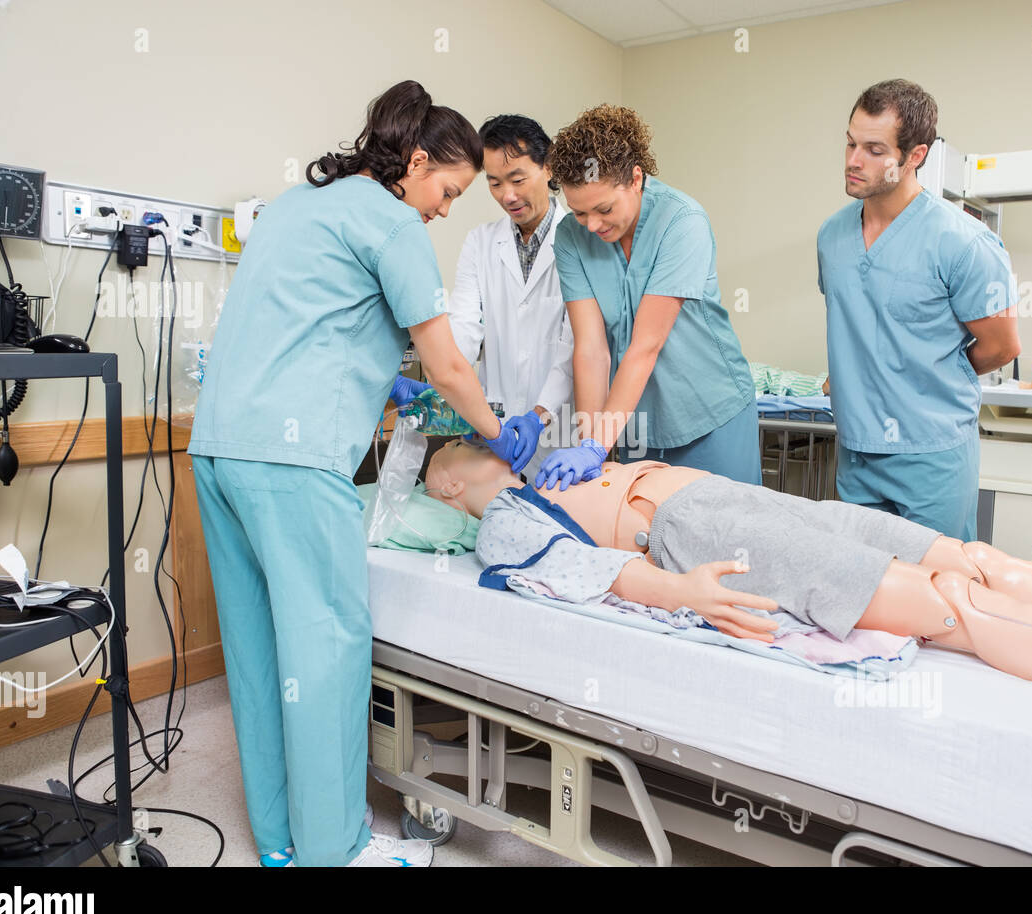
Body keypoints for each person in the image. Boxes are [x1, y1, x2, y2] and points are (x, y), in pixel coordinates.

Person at [187, 81, 522, 868]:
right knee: (327, 652)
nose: (443, 210)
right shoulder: (392, 221)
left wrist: (386, 373)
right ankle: (335, 848)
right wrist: (504, 437)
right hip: (294, 465)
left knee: (260, 649)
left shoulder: (296, 206)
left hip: (219, 450)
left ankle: (277, 841)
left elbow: (318, 320)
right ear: (414, 164)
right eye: (448, 191)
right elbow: (446, 361)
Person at [424, 438, 1032, 727]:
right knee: (949, 606)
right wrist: (681, 594)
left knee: (971, 559)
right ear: (447, 488)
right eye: (455, 449)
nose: (476, 436)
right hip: (696, 532)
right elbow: (575, 571)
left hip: (726, 496)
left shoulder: (543, 465)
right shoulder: (502, 520)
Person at [817, 79, 1021, 541]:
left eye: (873, 148)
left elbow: (1003, 346)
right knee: (862, 590)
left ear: (915, 156)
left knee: (935, 595)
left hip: (931, 457)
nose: (853, 160)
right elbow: (860, 322)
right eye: (850, 143)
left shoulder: (963, 243)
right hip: (857, 451)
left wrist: (924, 377)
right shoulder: (831, 238)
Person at [533, 104, 759, 491]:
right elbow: (591, 349)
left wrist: (595, 445)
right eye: (579, 212)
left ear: (636, 179)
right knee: (648, 537)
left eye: (604, 209)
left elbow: (644, 347)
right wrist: (593, 445)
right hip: (638, 422)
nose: (592, 225)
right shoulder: (570, 236)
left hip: (710, 412)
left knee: (727, 534)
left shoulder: (681, 222)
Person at [448, 114, 576, 480]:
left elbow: (574, 346)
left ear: (548, 168)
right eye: (494, 183)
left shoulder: (581, 242)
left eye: (518, 179)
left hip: (558, 435)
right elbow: (464, 325)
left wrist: (539, 415)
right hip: (494, 433)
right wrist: (451, 394)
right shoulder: (480, 243)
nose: (508, 195)